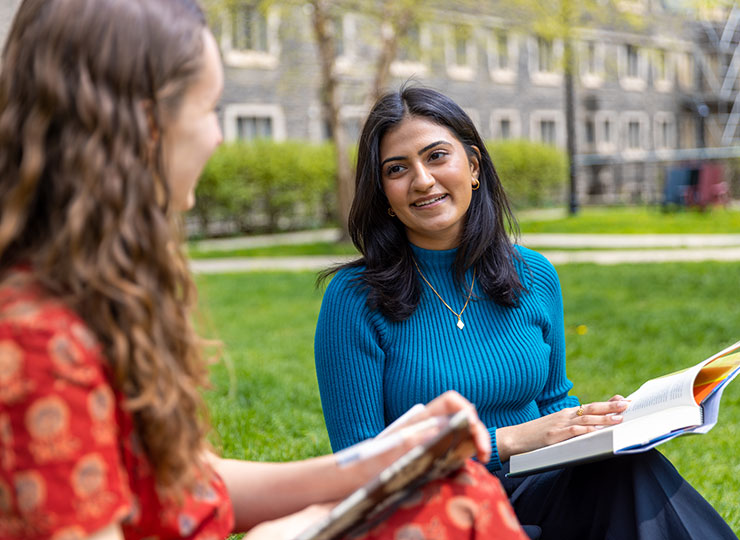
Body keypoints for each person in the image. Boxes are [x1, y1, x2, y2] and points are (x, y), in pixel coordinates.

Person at [0, 1, 529, 539]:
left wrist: (383, 460)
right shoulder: (39, 343)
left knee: (461, 490)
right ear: (141, 125)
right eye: (209, 109)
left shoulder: (92, 293)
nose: (219, 138)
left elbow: (190, 484)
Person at [314, 86, 738, 539]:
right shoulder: (354, 299)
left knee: (628, 469)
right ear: (382, 193)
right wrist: (510, 440)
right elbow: (361, 469)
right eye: (397, 169)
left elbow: (555, 401)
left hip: (533, 487)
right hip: (434, 510)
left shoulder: (532, 274)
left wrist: (600, 429)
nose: (421, 179)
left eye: (436, 156)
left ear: (473, 166)